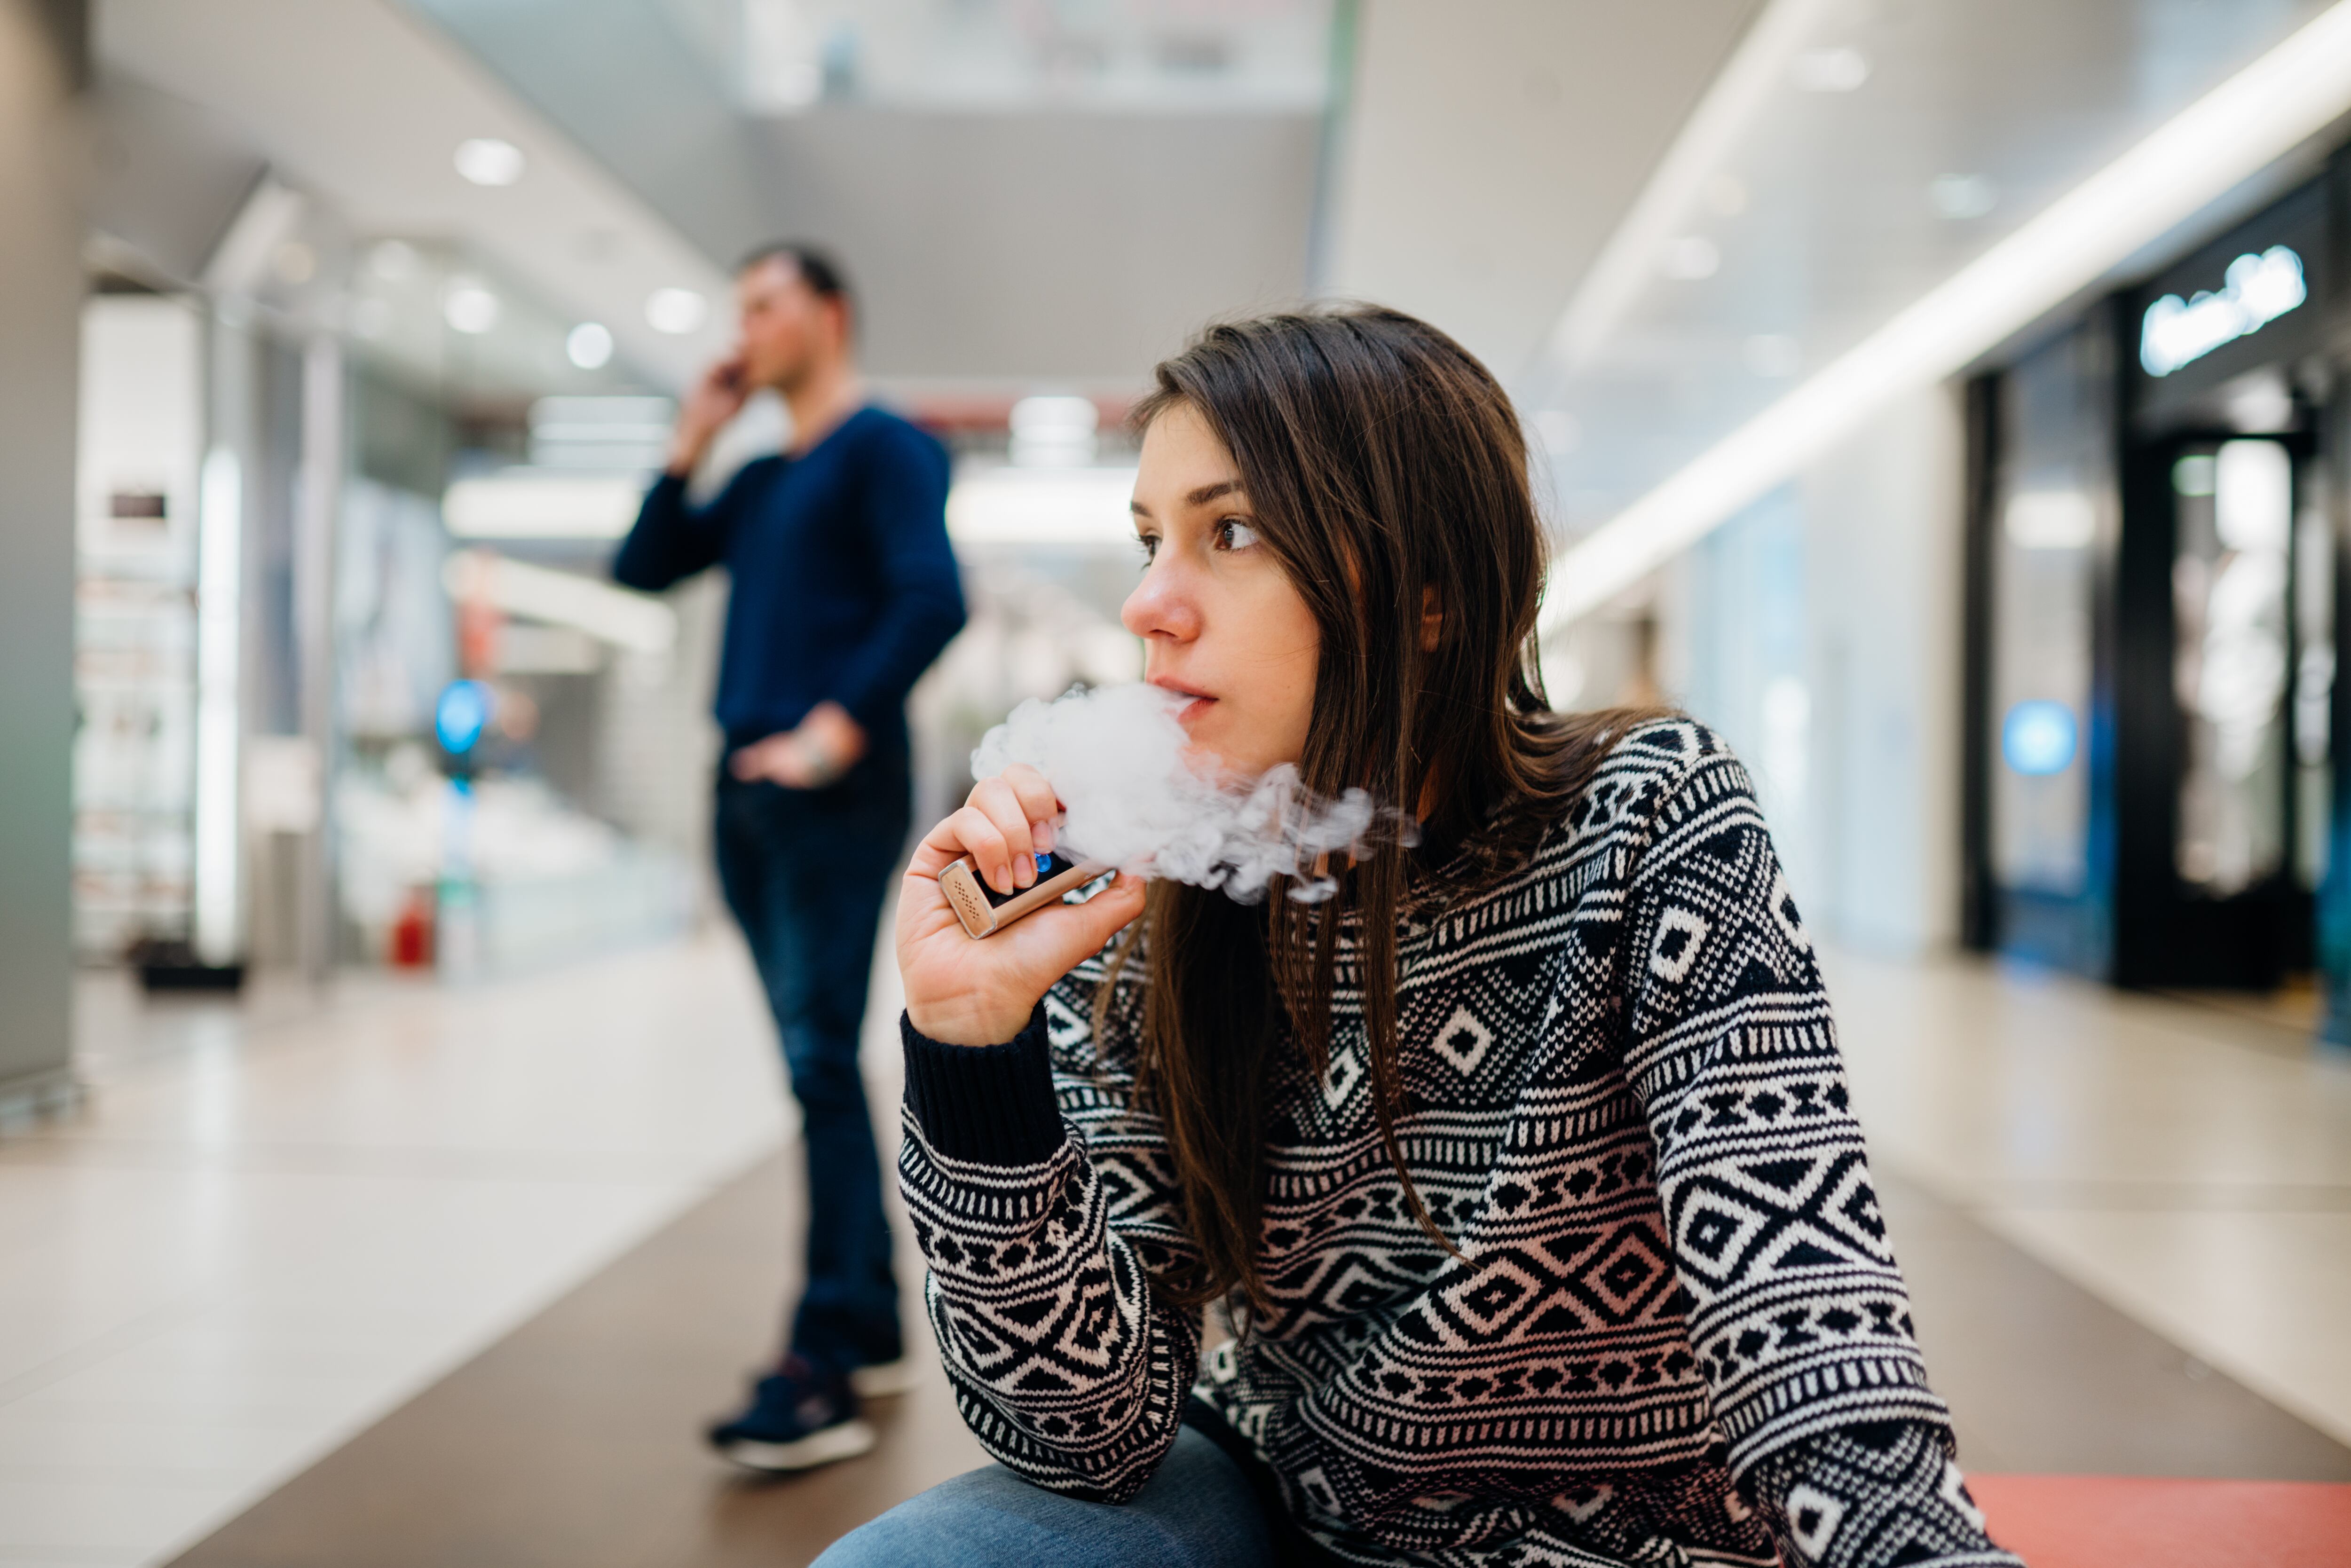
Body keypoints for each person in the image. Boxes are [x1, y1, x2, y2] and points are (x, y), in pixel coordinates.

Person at [823, 307, 2022, 1567]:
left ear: (1433, 594)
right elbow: (1090, 1439)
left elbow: (1811, 1326)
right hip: (1294, 1516)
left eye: (1229, 533)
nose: (1148, 606)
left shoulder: (1647, 817)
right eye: (1148, 541)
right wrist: (975, 1051)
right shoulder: (1149, 894)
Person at [613, 243, 965, 1472]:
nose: (745, 329)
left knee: (823, 1059)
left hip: (825, 794)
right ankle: (865, 1317)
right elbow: (644, 567)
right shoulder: (763, 476)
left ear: (829, 311)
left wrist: (831, 732)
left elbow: (932, 596)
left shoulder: (887, 447)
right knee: (812, 1068)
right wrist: (692, 436)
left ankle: (826, 1354)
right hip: (743, 793)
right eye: (736, 312)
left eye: (763, 306)